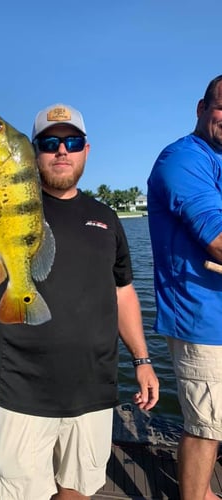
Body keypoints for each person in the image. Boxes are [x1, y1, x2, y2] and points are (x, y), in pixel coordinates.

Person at [0, 102, 159, 500]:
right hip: (20, 392)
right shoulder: (2, 188)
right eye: (50, 142)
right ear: (32, 151)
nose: (62, 150)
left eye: (72, 141)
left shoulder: (107, 218)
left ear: (87, 149)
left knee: (79, 489)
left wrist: (143, 360)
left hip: (94, 390)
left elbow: (123, 291)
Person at [147, 75, 222, 500]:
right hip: (202, 319)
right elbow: (216, 239)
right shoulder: (182, 160)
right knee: (205, 427)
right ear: (201, 107)